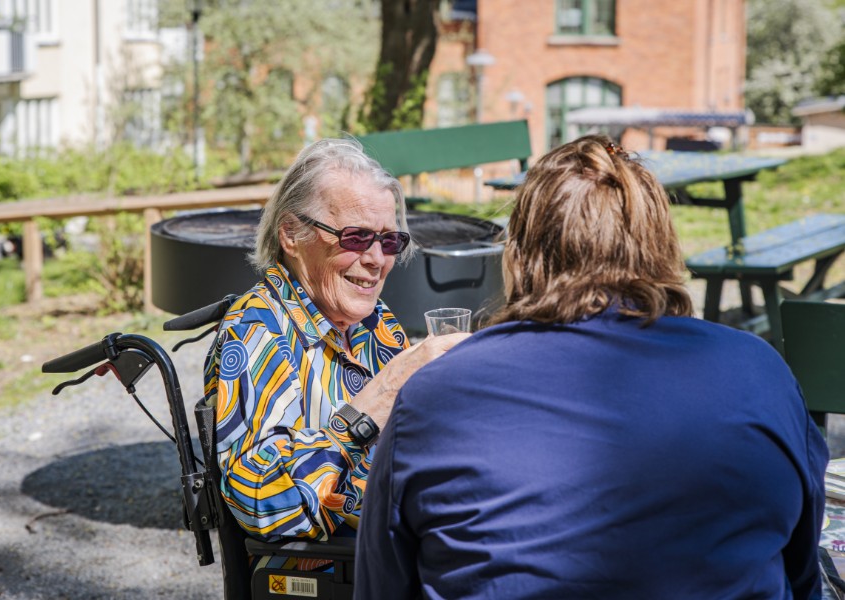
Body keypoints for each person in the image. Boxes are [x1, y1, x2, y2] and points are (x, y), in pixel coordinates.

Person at [354, 135, 828, 599]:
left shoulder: (433, 395)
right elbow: (802, 571)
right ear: (662, 250)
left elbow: (381, 584)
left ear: (516, 258)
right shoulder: (758, 372)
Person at [203, 138, 467, 552]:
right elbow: (258, 499)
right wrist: (379, 395)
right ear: (291, 233)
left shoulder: (371, 319)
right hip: (333, 568)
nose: (377, 259)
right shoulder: (260, 331)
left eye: (390, 241)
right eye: (357, 237)